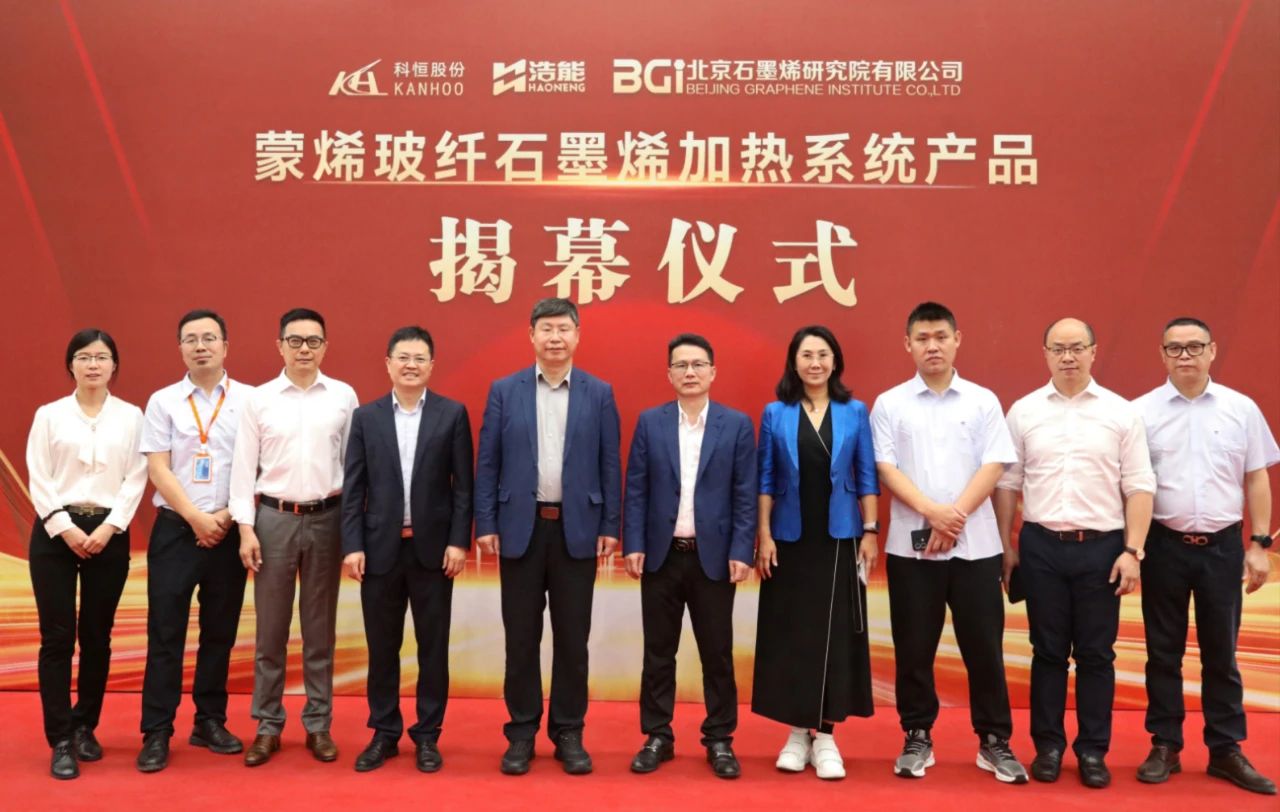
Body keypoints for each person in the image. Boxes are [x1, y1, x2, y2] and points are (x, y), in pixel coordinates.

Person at [994, 317, 1155, 789]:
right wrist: (1006, 546)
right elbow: (1008, 484)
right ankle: (1047, 747)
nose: (1068, 356)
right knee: (1046, 652)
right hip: (1041, 546)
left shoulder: (1121, 413)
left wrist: (1133, 551)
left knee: (1096, 655)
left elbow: (1140, 485)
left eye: (1077, 347)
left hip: (1103, 549)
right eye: (1058, 348)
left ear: (1093, 351)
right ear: (1045, 353)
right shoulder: (1024, 411)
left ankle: (1092, 751)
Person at [869, 302, 1027, 784]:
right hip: (911, 551)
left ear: (958, 339)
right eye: (922, 338)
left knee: (985, 648)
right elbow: (885, 467)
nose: (932, 346)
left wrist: (952, 516)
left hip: (976, 548)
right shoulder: (890, 404)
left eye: (941, 336)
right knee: (913, 648)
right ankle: (917, 734)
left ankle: (994, 740)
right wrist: (933, 512)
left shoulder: (982, 401)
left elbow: (995, 465)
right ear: (908, 344)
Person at [474, 297, 621, 775]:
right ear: (531, 336)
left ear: (577, 335)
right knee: (521, 639)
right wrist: (486, 522)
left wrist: (610, 525)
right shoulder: (505, 390)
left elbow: (610, 463)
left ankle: (568, 732)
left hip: (578, 531)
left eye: (563, 329)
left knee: (573, 639)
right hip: (520, 528)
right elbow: (488, 462)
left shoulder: (599, 392)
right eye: (546, 329)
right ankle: (521, 732)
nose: (555, 337)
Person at [1133, 317, 1278, 795]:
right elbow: (1130, 484)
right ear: (1162, 354)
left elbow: (1256, 477)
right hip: (1163, 545)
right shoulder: (1140, 413)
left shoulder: (1240, 408)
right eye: (1175, 348)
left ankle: (1225, 749)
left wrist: (1259, 545)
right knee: (1163, 652)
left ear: (1212, 350)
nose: (1185, 356)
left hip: (1222, 547)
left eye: (1194, 346)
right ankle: (1165, 744)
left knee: (1222, 653)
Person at [623, 333, 756, 779]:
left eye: (698, 364)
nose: (690, 372)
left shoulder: (736, 425)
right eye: (681, 365)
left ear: (713, 372)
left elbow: (744, 493)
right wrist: (634, 543)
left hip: (713, 558)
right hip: (662, 556)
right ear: (669, 374)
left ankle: (719, 738)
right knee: (658, 653)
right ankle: (657, 735)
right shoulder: (651, 422)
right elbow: (636, 487)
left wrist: (742, 549)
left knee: (717, 653)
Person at [341, 326, 473, 774]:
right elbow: (354, 487)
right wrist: (352, 545)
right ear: (388, 364)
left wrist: (458, 541)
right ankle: (384, 732)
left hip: (433, 552)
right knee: (383, 648)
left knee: (433, 647)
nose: (411, 365)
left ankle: (428, 735)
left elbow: (463, 487)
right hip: (380, 550)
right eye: (403, 357)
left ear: (431, 365)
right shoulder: (367, 417)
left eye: (419, 358)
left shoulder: (452, 415)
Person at [229, 308, 358, 767]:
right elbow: (243, 469)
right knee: (271, 631)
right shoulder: (259, 400)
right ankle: (267, 725)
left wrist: (352, 532)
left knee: (320, 631)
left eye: (313, 341)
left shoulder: (343, 396)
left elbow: (354, 468)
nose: (304, 349)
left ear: (325, 346)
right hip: (273, 520)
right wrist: (246, 528)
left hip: (327, 518)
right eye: (295, 340)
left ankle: (318, 724)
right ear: (280, 346)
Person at [753, 324, 879, 781]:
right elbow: (766, 478)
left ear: (835, 361)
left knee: (835, 636)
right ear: (794, 361)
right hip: (789, 538)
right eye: (806, 355)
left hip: (840, 537)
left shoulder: (854, 411)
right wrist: (764, 535)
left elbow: (866, 475)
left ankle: (825, 735)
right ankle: (795, 733)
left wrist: (870, 531)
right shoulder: (776, 413)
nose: (815, 363)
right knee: (792, 633)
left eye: (823, 354)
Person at [26, 328, 147, 780]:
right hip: (55, 532)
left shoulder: (132, 417)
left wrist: (111, 527)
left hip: (109, 532)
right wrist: (65, 527)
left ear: (114, 365)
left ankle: (84, 726)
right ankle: (60, 738)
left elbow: (137, 476)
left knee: (97, 636)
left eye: (101, 357)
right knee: (57, 638)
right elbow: (39, 476)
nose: (93, 365)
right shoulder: (49, 415)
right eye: (83, 357)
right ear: (70, 365)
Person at [136, 310, 251, 772]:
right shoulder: (162, 401)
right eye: (191, 339)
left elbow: (257, 465)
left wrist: (223, 517)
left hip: (229, 527)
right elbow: (158, 467)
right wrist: (195, 517)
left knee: (219, 633)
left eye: (209, 338)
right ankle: (156, 731)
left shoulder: (250, 401)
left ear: (226, 346)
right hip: (176, 529)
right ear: (180, 348)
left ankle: (209, 721)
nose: (200, 346)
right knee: (165, 633)